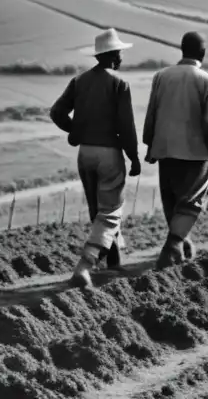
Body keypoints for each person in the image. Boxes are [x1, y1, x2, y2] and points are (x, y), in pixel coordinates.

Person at [50, 28, 140, 288]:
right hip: (109, 154)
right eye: (120, 52)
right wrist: (133, 157)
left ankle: (114, 264)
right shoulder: (119, 83)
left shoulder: (79, 81)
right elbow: (127, 126)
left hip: (85, 154)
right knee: (110, 212)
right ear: (112, 55)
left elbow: (57, 112)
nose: (122, 56)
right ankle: (85, 266)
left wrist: (76, 131)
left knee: (97, 211)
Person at [143, 31, 208, 269]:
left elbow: (151, 113)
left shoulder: (161, 76)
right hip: (195, 154)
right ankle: (171, 250)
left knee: (172, 201)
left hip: (165, 150)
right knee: (191, 203)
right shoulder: (207, 81)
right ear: (202, 53)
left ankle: (182, 246)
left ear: (182, 50)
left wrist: (149, 144)